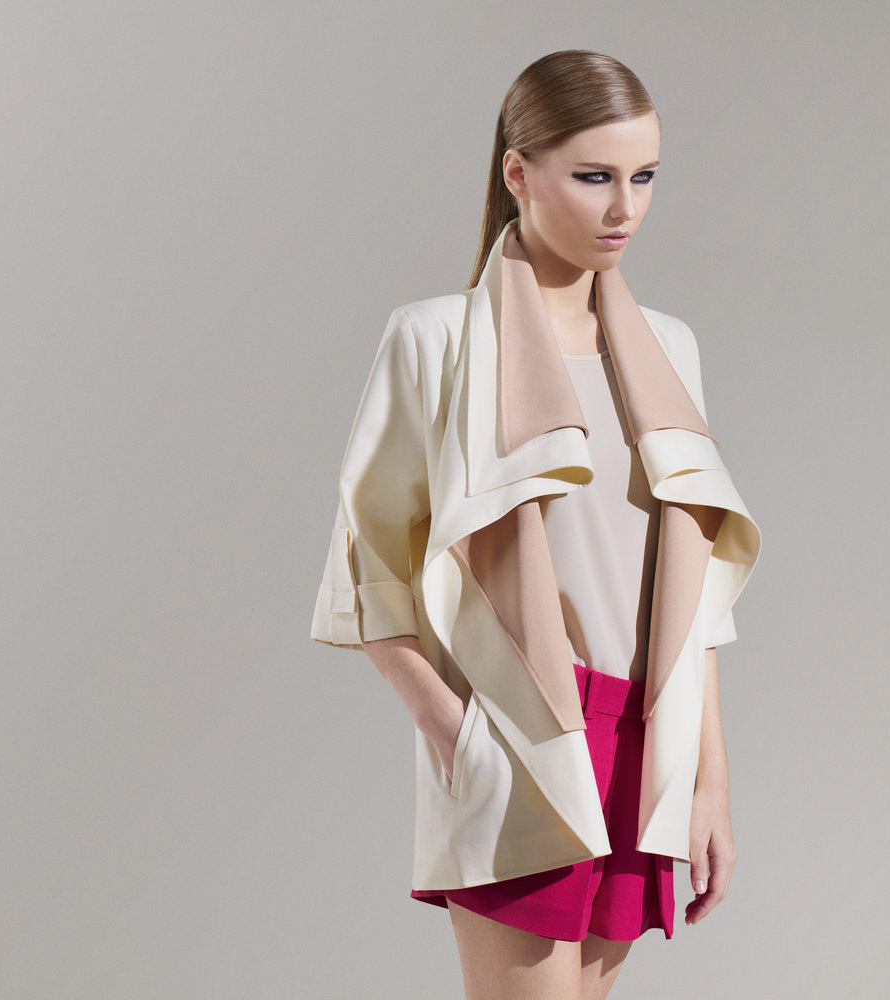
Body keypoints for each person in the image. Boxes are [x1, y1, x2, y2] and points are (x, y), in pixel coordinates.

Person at [308, 50, 762, 999]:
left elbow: (695, 599)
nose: (624, 208)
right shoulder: (436, 338)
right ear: (517, 171)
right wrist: (454, 729)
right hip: (523, 724)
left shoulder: (669, 348)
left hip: (646, 733)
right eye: (594, 176)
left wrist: (711, 780)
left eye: (644, 176)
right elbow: (366, 565)